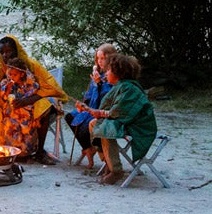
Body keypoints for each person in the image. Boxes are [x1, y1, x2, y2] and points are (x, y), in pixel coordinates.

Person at [0, 35, 69, 165]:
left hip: (32, 100)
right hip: (10, 105)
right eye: (2, 52)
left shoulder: (31, 65)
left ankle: (39, 152)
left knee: (44, 106)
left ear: (16, 50)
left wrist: (27, 101)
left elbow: (49, 87)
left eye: (8, 51)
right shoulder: (0, 68)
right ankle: (3, 147)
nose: (5, 55)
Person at [88, 53, 157, 185]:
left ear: (117, 72)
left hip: (138, 126)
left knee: (106, 127)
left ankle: (116, 170)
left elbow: (119, 112)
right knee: (93, 123)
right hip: (127, 122)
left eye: (108, 70)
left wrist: (100, 113)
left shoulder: (129, 88)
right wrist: (94, 112)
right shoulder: (120, 86)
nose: (106, 73)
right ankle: (108, 162)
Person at [65, 43, 117, 169]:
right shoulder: (97, 74)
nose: (99, 61)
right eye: (98, 58)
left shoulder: (113, 74)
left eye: (103, 58)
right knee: (70, 117)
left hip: (102, 111)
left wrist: (99, 83)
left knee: (84, 129)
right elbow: (89, 95)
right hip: (91, 108)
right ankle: (88, 149)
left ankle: (97, 152)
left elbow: (109, 96)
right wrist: (83, 105)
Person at [0, 56, 45, 157]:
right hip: (11, 112)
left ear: (22, 74)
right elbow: (3, 97)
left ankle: (24, 150)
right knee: (8, 121)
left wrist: (22, 101)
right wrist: (7, 90)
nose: (12, 77)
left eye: (15, 75)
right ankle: (11, 149)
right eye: (10, 74)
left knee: (25, 125)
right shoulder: (7, 82)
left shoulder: (30, 83)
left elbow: (32, 95)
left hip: (25, 111)